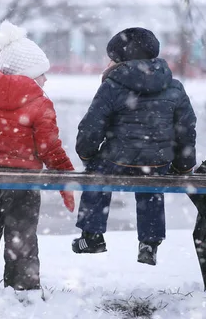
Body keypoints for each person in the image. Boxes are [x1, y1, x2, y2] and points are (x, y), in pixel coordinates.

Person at [0, 20, 75, 290]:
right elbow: (49, 147)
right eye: (42, 73)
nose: (46, 79)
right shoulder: (39, 102)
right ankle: (23, 289)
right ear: (29, 75)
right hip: (23, 182)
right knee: (22, 237)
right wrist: (65, 178)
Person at [72, 27, 197, 265]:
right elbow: (186, 130)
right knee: (151, 182)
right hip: (158, 160)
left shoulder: (112, 85)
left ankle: (92, 235)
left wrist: (88, 157)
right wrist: (182, 166)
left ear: (120, 59)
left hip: (116, 160)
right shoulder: (174, 86)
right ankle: (149, 243)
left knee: (97, 175)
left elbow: (91, 127)